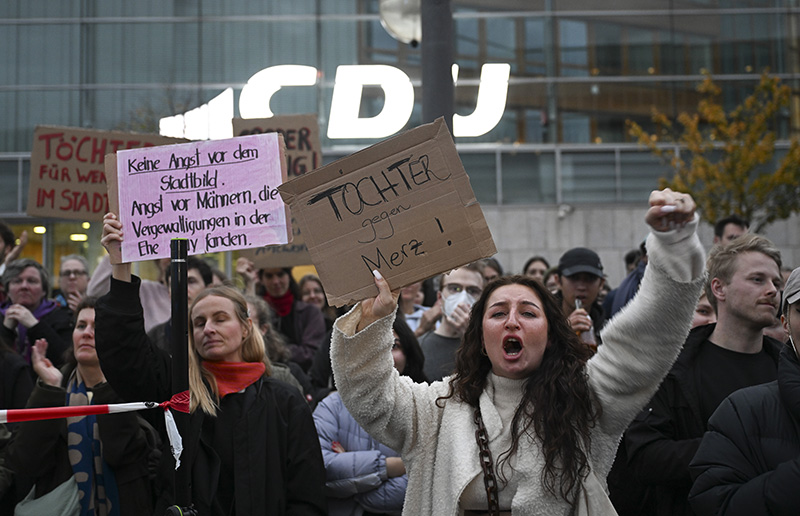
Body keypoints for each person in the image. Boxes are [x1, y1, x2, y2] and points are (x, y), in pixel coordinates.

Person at [330, 189, 705, 515]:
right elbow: (370, 395)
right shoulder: (436, 409)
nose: (512, 321)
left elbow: (643, 342)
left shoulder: (586, 400)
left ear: (550, 333)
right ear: (480, 336)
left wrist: (675, 246)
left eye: (528, 312)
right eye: (497, 313)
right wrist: (372, 320)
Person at [95, 212, 327, 515]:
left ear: (245, 329)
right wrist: (121, 267)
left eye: (220, 319)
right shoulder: (178, 391)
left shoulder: (284, 400)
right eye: (199, 322)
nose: (209, 329)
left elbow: (307, 492)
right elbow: (124, 355)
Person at [622, 232, 784, 516]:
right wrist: (731, 449)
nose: (772, 290)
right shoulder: (671, 366)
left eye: (776, 282)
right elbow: (645, 457)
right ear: (719, 289)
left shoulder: (789, 368)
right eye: (758, 280)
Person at [6, 297, 159, 515]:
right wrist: (50, 388)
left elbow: (122, 456)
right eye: (81, 326)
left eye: (98, 327)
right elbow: (25, 461)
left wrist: (107, 385)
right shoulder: (53, 390)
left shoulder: (138, 388)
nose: (87, 333)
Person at [688, 266, 800, 515]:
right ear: (786, 325)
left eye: (773, 282)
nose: (769, 290)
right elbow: (715, 504)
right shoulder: (741, 412)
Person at [313, 318, 425, 516]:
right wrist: (393, 466)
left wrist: (352, 485)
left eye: (394, 346)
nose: (384, 355)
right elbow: (320, 471)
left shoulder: (425, 407)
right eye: (372, 345)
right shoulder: (331, 407)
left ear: (408, 354)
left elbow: (426, 479)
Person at [237, 258, 326, 372]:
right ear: (262, 279)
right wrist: (249, 282)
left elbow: (311, 353)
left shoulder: (310, 312)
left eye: (280, 274)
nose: (276, 281)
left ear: (289, 276)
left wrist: (274, 350)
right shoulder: (257, 312)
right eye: (269, 276)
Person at [1, 259, 73, 367]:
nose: (24, 286)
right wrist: (6, 330)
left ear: (44, 290)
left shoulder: (63, 317)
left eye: (32, 281)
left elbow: (66, 358)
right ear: (7, 290)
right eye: (17, 281)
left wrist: (35, 326)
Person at [418, 264, 484, 382]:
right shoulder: (419, 347)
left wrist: (470, 338)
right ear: (439, 297)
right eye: (454, 288)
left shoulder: (488, 348)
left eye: (473, 291)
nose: (462, 297)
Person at [146, 256, 213, 353]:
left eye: (191, 281)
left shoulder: (220, 332)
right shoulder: (154, 337)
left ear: (208, 289)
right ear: (168, 292)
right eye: (175, 283)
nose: (183, 288)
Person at [555, 248, 606, 346]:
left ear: (601, 284)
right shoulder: (541, 323)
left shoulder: (609, 329)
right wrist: (562, 335)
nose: (582, 287)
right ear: (558, 281)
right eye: (574, 278)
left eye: (590, 279)